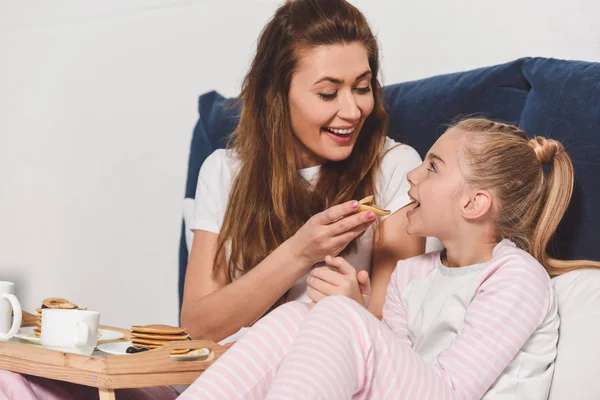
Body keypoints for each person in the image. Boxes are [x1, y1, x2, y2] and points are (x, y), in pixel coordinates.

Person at [178, 118, 600, 399]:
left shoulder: (515, 277)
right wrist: (360, 312)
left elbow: (450, 391)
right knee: (302, 315)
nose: (412, 175)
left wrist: (351, 319)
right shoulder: (410, 274)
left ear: (474, 203)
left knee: (335, 316)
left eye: (432, 168)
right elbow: (387, 376)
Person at [181, 0, 424, 343]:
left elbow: (398, 339)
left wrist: (354, 310)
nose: (353, 111)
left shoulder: (397, 166)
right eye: (328, 93)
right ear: (276, 95)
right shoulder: (223, 171)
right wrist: (299, 252)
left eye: (361, 88)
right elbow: (198, 328)